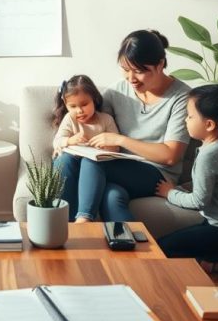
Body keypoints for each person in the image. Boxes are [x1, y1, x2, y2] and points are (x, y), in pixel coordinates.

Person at [53, 30, 191, 222]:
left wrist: (119, 139)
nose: (131, 78)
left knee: (95, 161)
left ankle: (83, 222)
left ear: (160, 65)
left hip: (156, 174)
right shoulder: (118, 90)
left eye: (139, 71)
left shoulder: (181, 98)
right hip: (117, 169)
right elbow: (91, 119)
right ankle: (67, 231)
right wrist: (64, 141)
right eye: (125, 69)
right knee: (108, 194)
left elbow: (170, 155)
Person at [156, 85, 218, 262]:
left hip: (217, 228)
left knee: (161, 248)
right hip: (214, 224)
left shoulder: (209, 155)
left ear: (209, 124)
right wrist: (185, 187)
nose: (185, 120)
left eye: (190, 116)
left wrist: (170, 193)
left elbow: (198, 201)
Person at [52, 75, 120, 222]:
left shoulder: (106, 119)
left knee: (92, 161)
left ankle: (84, 218)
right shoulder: (69, 119)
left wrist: (107, 145)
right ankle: (63, 218)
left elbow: (116, 147)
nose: (79, 111)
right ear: (66, 104)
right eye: (73, 106)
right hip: (71, 166)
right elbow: (57, 141)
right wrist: (70, 140)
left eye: (84, 104)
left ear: (94, 99)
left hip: (95, 168)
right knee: (63, 160)